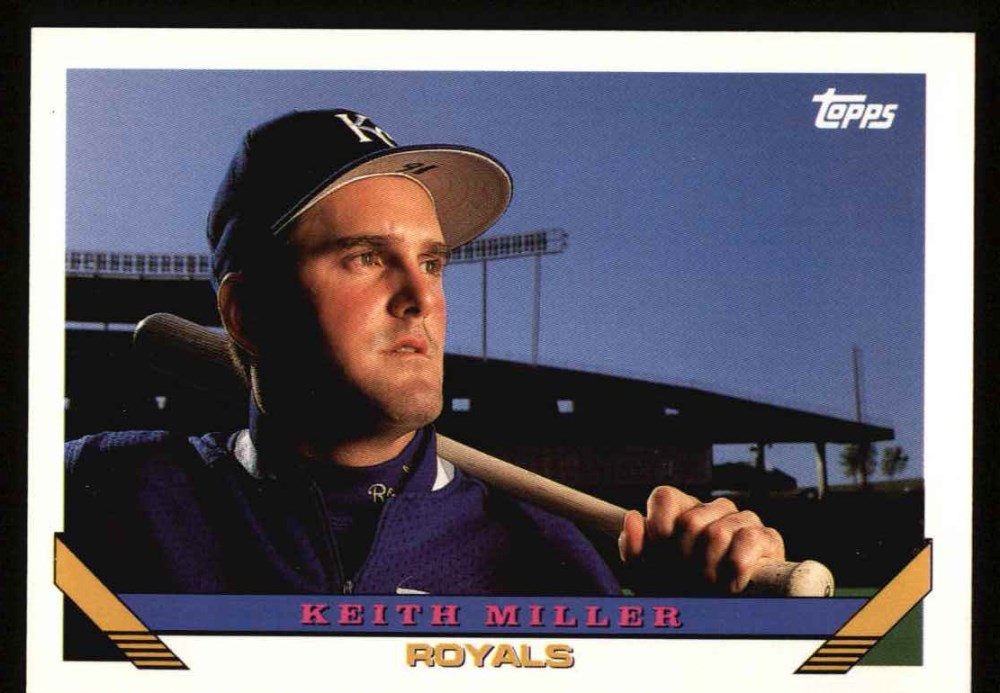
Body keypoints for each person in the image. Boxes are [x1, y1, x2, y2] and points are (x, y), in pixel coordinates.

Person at [64, 108, 785, 595]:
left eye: (433, 262)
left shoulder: (554, 562)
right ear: (246, 313)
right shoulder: (102, 492)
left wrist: (692, 636)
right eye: (365, 257)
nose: (422, 297)